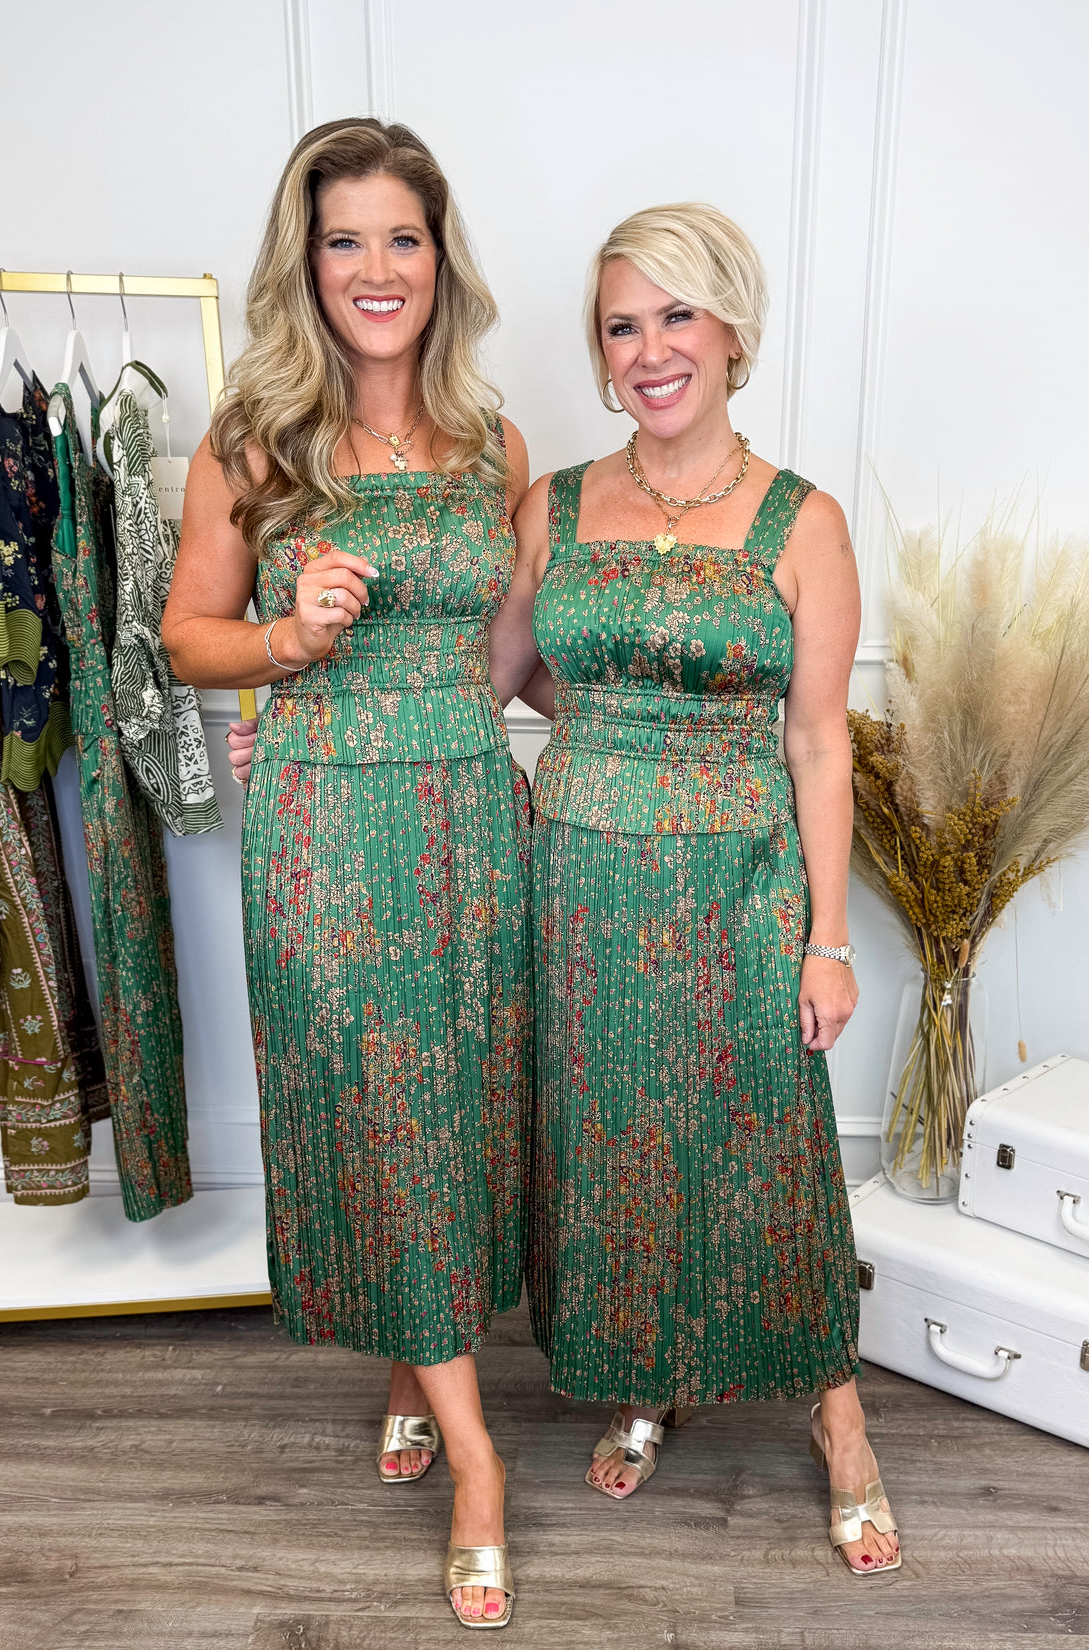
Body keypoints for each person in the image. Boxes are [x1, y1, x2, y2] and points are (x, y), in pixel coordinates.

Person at [490, 202, 901, 1577]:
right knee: (613, 1142)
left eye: (677, 316)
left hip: (740, 883)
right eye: (622, 323)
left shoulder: (803, 519)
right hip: (582, 884)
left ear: (731, 331)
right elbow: (496, 677)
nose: (650, 349)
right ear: (600, 351)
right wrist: (288, 706)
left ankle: (841, 1426)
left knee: (763, 1147)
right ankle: (647, 1379)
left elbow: (820, 738)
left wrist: (829, 939)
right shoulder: (555, 501)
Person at [164, 117, 530, 1628]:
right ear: (303, 264)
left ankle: (408, 1358)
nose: (376, 269)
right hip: (325, 826)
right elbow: (189, 639)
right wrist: (292, 648)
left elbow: (514, 654)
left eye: (401, 238)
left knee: (458, 1109)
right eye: (344, 241)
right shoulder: (254, 440)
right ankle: (481, 1462)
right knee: (379, 1104)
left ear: (440, 258)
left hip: (471, 813)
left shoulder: (496, 443)